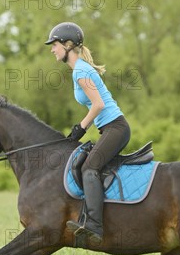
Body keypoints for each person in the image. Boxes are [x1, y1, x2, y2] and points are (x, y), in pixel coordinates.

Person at [45, 22, 131, 243]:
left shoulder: (81, 71)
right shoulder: (80, 69)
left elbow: (98, 104)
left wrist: (80, 128)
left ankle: (94, 224)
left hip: (116, 128)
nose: (52, 49)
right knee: (89, 164)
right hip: (110, 128)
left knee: (89, 167)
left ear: (68, 44)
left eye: (54, 45)